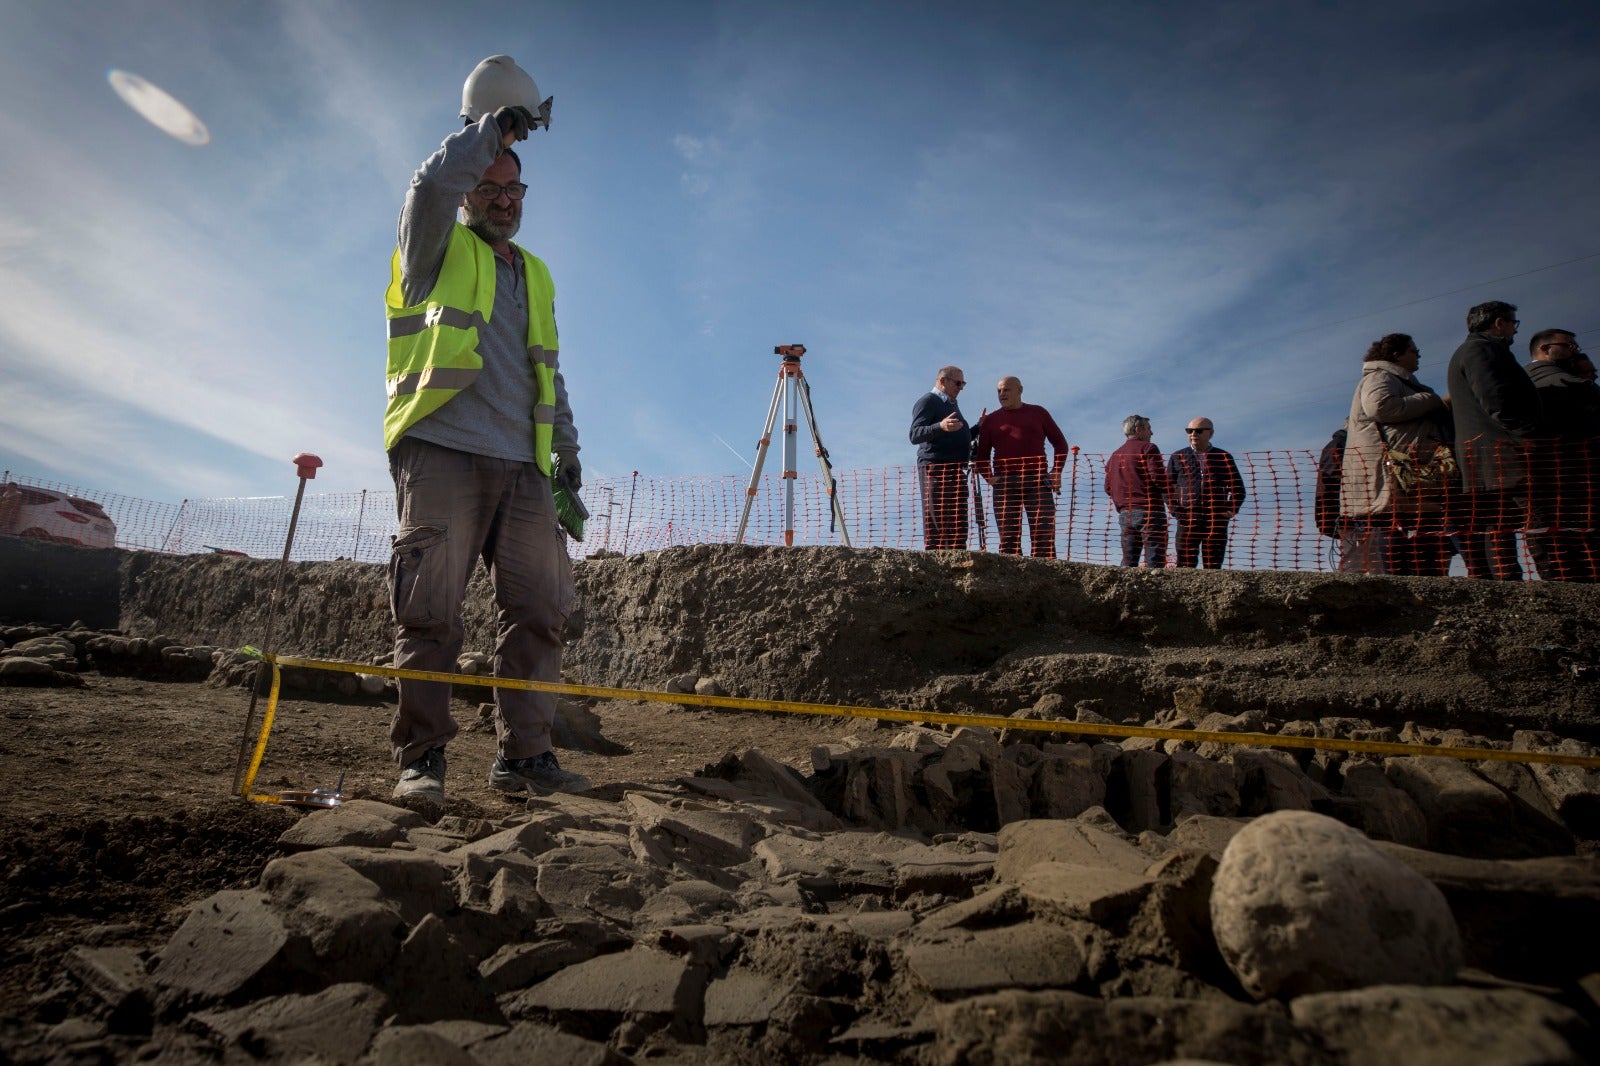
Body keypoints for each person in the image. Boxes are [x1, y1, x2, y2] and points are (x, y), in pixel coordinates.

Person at [383, 96, 589, 804]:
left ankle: (526, 759)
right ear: (469, 190)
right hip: (442, 445)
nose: (502, 200)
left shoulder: (535, 273)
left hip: (525, 467)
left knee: (541, 612)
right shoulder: (435, 247)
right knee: (432, 611)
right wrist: (490, 130)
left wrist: (564, 450)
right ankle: (423, 759)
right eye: (489, 186)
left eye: (513, 188)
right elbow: (429, 186)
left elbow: (548, 371)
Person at [1338, 334, 1454, 576]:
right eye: (1413, 351)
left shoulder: (1397, 380)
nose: (1418, 356)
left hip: (1406, 480)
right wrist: (1430, 399)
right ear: (1396, 354)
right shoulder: (1380, 377)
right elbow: (1380, 407)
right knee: (1396, 553)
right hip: (1390, 480)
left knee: (1420, 555)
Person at [1445, 300, 1540, 580]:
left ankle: (1504, 581)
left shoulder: (1474, 350)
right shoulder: (1481, 350)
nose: (1514, 331)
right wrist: (1526, 437)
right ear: (1499, 323)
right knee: (1529, 522)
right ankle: (1510, 582)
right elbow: (1497, 401)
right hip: (1502, 456)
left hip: (1490, 457)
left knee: (1499, 523)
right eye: (1513, 323)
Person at [1525, 329, 1600, 581]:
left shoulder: (1520, 382)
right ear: (1545, 349)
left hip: (1540, 477)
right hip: (1572, 473)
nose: (1573, 349)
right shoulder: (1567, 387)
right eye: (1568, 345)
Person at [974, 376, 1068, 557]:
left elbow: (1060, 444)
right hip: (1005, 483)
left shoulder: (1038, 413)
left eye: (1006, 389)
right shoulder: (991, 420)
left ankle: (1047, 578)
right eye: (999, 390)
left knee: (1044, 533)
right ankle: (1010, 581)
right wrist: (989, 477)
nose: (1002, 394)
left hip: (1038, 480)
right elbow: (982, 456)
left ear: (1020, 390)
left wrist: (1056, 471)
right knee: (1008, 537)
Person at [909, 366, 975, 549]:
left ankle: (958, 558)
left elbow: (957, 435)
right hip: (935, 469)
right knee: (937, 519)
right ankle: (935, 563)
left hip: (955, 469)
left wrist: (978, 428)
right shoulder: (928, 401)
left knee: (958, 518)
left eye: (963, 383)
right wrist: (940, 426)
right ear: (942, 381)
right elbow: (915, 434)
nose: (961, 387)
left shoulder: (951, 404)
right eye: (958, 382)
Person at [1166, 418, 1246, 569]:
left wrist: (1230, 508)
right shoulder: (1178, 457)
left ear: (1211, 433)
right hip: (1187, 518)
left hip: (1216, 519)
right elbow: (1167, 487)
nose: (1193, 434)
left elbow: (1238, 488)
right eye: (1189, 431)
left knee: (1213, 565)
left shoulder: (1223, 457)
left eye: (1199, 430)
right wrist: (1176, 510)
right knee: (1185, 566)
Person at [1104, 414, 1168, 567]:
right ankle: (1153, 589)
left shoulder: (1114, 456)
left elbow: (1107, 488)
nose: (1151, 433)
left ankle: (1123, 589)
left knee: (1128, 561)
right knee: (1155, 561)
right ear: (1139, 429)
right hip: (1150, 511)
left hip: (1125, 514)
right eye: (1149, 428)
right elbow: (1158, 478)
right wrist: (1174, 492)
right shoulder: (1148, 448)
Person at [1314, 427, 1347, 543]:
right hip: (1345, 515)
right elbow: (1327, 482)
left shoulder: (1335, 445)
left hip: (1343, 515)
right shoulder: (1339, 445)